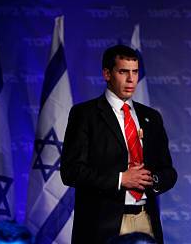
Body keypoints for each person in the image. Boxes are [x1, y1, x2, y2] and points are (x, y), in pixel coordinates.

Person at [60, 45, 177, 244]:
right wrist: (121, 179)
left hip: (145, 220)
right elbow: (71, 172)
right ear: (107, 73)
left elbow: (168, 171)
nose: (131, 79)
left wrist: (153, 179)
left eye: (135, 72)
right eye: (123, 71)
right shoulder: (85, 114)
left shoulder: (151, 117)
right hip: (103, 225)